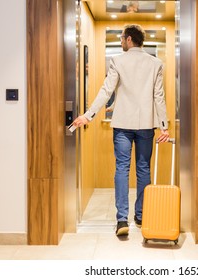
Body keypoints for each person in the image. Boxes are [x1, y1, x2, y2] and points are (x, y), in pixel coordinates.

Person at [72, 24, 169, 236]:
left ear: (129, 39)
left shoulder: (118, 60)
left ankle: (122, 220)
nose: (121, 41)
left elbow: (107, 90)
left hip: (123, 125)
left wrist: (88, 115)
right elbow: (158, 96)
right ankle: (141, 215)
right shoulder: (156, 63)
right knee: (143, 169)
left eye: (122, 37)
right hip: (145, 125)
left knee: (122, 169)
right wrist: (164, 127)